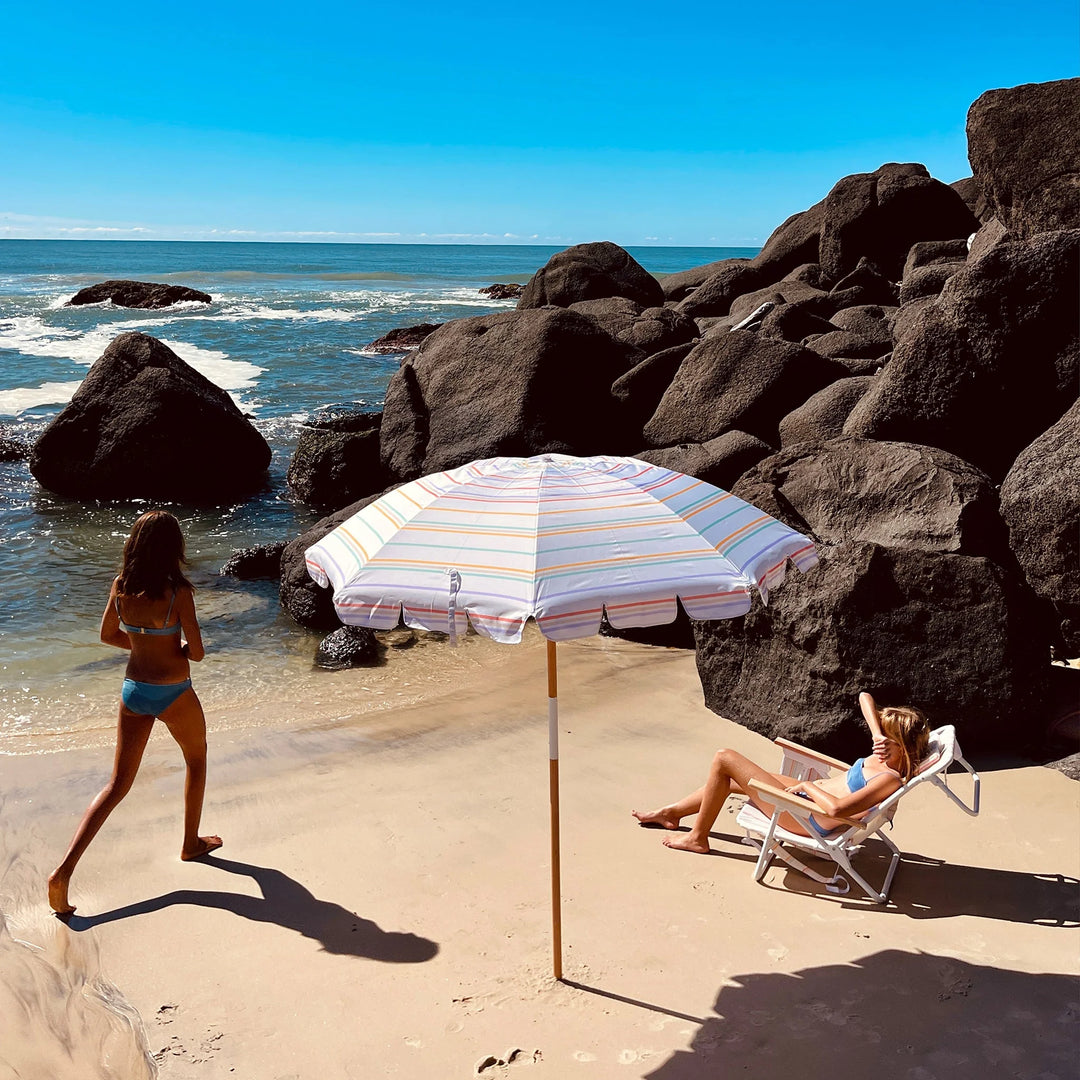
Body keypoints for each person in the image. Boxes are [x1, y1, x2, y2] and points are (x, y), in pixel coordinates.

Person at [48, 510, 221, 914]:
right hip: (174, 691)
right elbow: (196, 652)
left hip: (133, 692)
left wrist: (144, 647)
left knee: (116, 786)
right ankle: (191, 844)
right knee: (196, 760)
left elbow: (108, 634)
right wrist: (170, 649)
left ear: (134, 545)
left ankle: (63, 872)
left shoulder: (120, 586)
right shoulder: (179, 593)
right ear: (173, 548)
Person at [633, 692, 930, 854]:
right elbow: (865, 697)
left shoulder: (889, 778)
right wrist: (878, 733)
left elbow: (838, 808)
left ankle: (698, 838)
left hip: (807, 814)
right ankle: (672, 813)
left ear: (902, 745)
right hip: (810, 800)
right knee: (735, 778)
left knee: (724, 758)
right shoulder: (888, 756)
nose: (879, 742)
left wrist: (806, 787)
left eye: (887, 738)